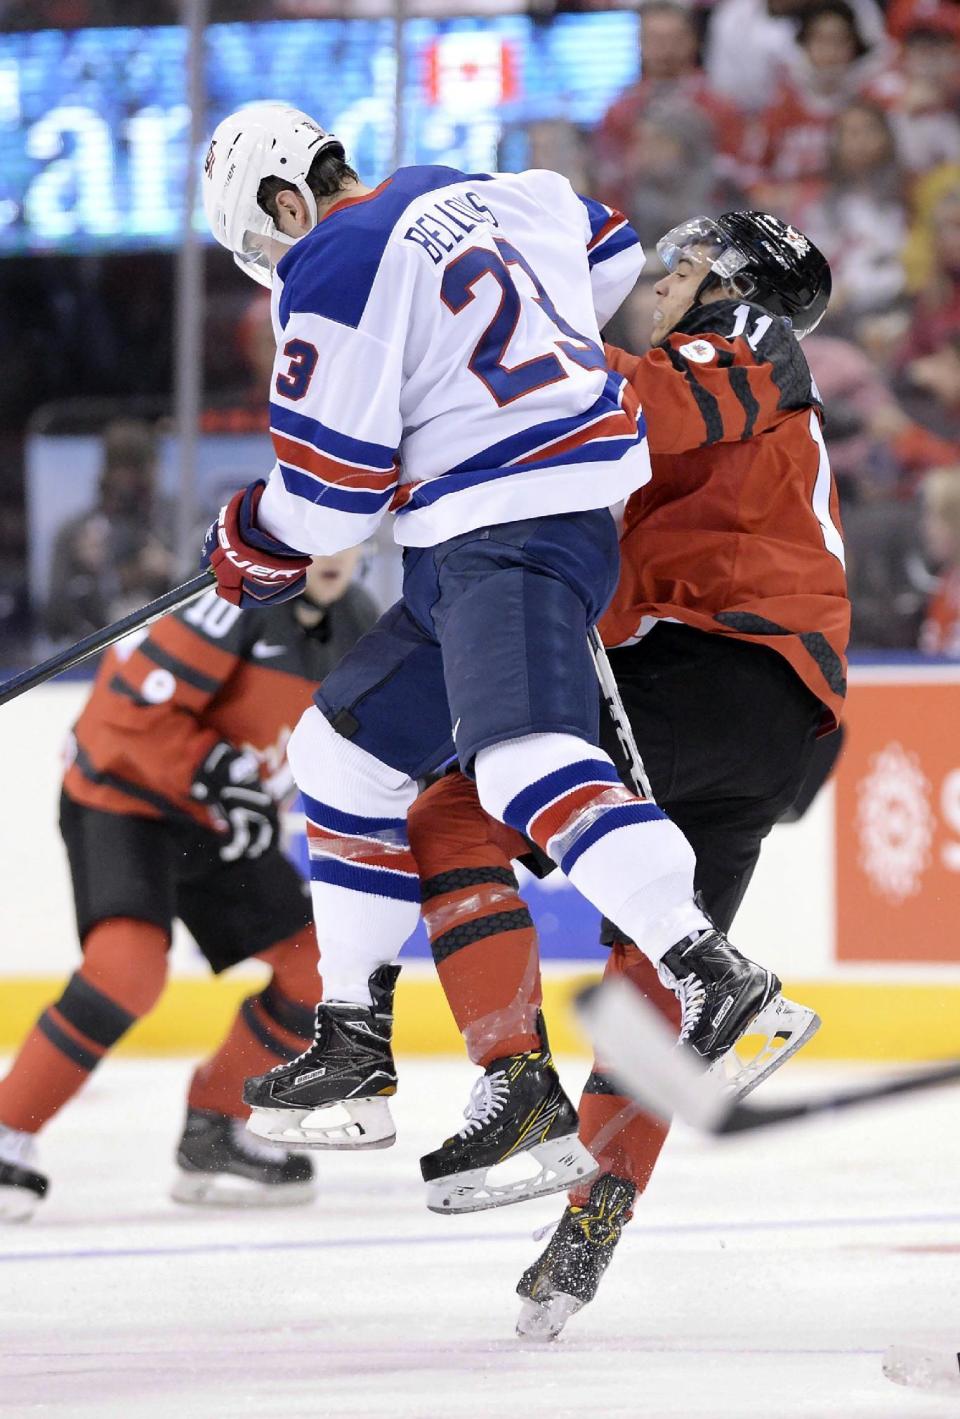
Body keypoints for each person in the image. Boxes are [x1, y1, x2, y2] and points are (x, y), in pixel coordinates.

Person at [198, 104, 818, 1193]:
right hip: (478, 533)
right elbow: (610, 251)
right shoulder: (487, 188)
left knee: (520, 759)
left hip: (512, 520)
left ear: (286, 201)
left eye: (262, 242)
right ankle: (353, 1034)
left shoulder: (330, 259)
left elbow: (332, 502)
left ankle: (714, 975)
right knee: (339, 750)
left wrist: (250, 537)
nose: (271, 263)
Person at [405, 211, 847, 1334]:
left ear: (725, 278)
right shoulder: (708, 384)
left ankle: (516, 1080)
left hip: (717, 666)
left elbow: (639, 402)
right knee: (658, 982)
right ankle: (590, 1230)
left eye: (675, 266)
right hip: (767, 713)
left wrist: (492, 355)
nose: (655, 283)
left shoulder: (744, 334)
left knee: (458, 811)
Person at [0, 552, 377, 1219]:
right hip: (125, 795)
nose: (334, 553)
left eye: (349, 536)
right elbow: (124, 714)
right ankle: (7, 1131)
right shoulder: (234, 592)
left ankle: (213, 1128)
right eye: (320, 535)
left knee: (316, 968)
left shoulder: (360, 624)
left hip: (215, 816)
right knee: (126, 968)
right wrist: (212, 765)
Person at [45, 419, 178, 643]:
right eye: (120, 467)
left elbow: (210, 605)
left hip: (165, 651)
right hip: (95, 658)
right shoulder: (75, 532)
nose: (128, 481)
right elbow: (53, 623)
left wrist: (175, 572)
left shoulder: (175, 523)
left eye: (137, 468)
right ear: (106, 471)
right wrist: (85, 575)